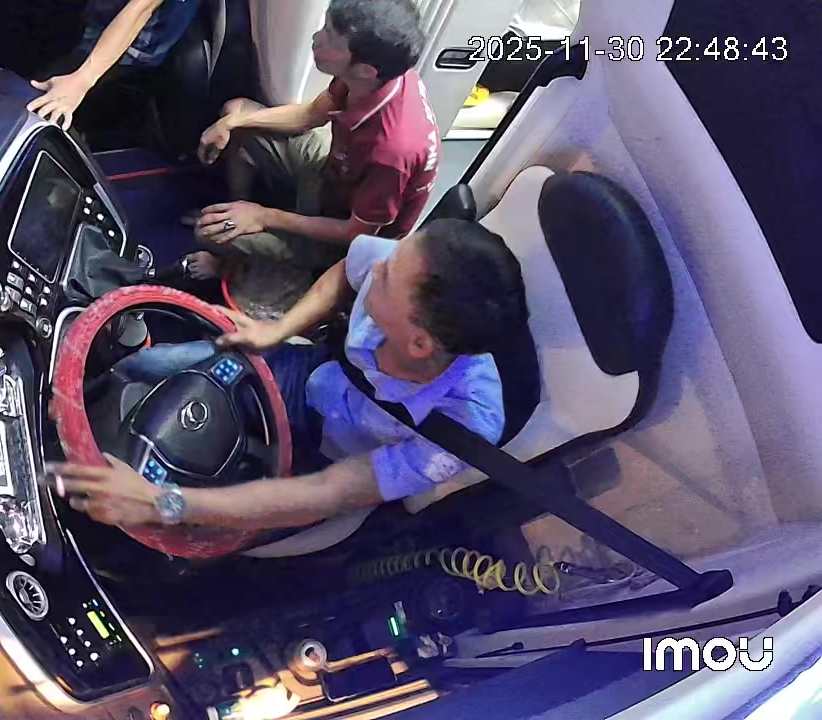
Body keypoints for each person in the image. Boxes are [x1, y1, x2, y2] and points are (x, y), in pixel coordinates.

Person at [49, 219, 529, 536]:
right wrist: (278, 330)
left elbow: (327, 492)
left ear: (419, 343)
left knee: (196, 524)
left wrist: (162, 503)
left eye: (386, 278)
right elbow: (345, 271)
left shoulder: (462, 426)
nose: (378, 264)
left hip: (332, 458)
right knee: (153, 365)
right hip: (312, 374)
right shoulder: (402, 269)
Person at [185, 0, 439, 306]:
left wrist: (265, 216)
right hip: (332, 175)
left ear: (365, 69)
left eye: (331, 39)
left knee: (208, 232)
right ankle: (239, 209)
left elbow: (355, 232)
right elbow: (309, 116)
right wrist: (232, 123)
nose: (317, 39)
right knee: (236, 112)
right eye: (325, 28)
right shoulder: (371, 77)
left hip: (343, 233)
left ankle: (262, 263)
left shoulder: (393, 150)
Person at [27, 0, 203, 130]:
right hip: (89, 21)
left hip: (127, 54)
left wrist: (83, 79)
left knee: (39, 106)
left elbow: (140, 9)